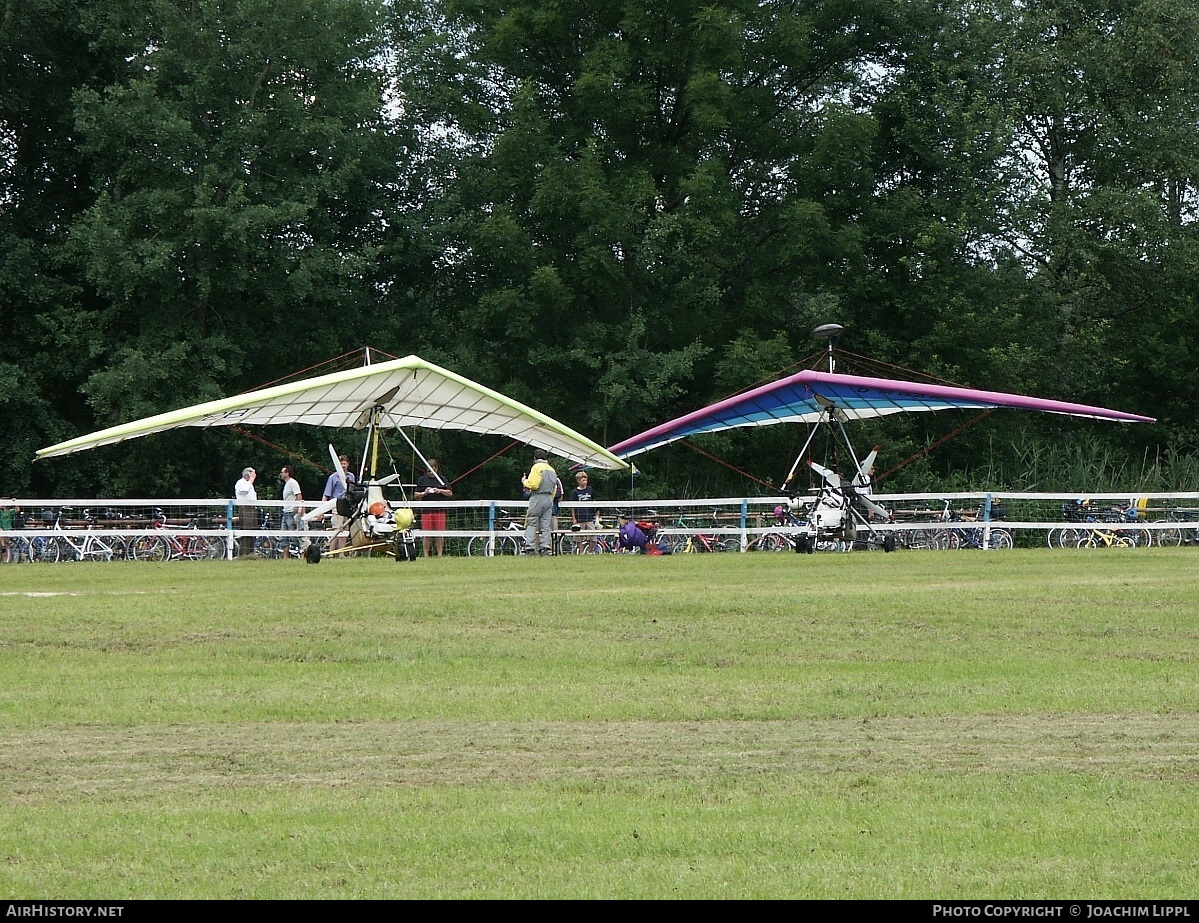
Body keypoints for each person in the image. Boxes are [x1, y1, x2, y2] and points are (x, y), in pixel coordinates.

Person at [521, 447, 558, 555]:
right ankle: (545, 548)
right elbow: (555, 487)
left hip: (538, 497)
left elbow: (534, 484)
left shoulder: (536, 468)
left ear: (535, 458)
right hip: (549, 498)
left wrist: (524, 481)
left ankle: (530, 548)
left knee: (532, 522)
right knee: (545, 525)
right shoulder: (552, 469)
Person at [415, 458, 453, 557]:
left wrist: (440, 491)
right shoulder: (422, 480)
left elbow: (450, 493)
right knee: (426, 534)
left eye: (432, 470)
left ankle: (440, 554)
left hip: (440, 510)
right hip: (426, 511)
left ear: (436, 468)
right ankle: (426, 555)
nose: (431, 473)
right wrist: (424, 493)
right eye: (428, 471)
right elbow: (415, 495)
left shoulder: (442, 479)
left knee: (439, 534)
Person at [322, 455, 356, 552]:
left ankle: (341, 552)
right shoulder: (333, 477)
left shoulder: (351, 476)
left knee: (345, 530)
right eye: (341, 464)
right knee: (336, 529)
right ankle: (331, 552)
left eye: (344, 463)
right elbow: (327, 493)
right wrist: (322, 509)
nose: (343, 466)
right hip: (337, 505)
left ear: (348, 464)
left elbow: (353, 491)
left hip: (347, 505)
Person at [569, 471, 599, 552]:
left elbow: (594, 501)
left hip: (589, 516)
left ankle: (590, 551)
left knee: (592, 536)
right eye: (583, 480)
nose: (585, 482)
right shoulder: (575, 492)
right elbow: (573, 506)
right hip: (580, 517)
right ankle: (581, 552)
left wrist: (596, 512)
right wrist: (574, 518)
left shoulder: (590, 489)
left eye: (586, 480)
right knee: (579, 538)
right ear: (578, 481)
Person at [279, 466, 305, 558]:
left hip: (291, 513)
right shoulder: (287, 484)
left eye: (282, 472)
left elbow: (298, 495)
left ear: (287, 473)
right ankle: (286, 557)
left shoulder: (292, 483)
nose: (281, 474)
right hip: (285, 512)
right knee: (283, 536)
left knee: (295, 535)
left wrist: (298, 508)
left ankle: (303, 554)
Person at [234, 467, 258, 557]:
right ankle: (244, 554)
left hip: (252, 508)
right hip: (245, 509)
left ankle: (250, 553)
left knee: (252, 531)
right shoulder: (241, 483)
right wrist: (251, 480)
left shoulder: (249, 484)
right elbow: (244, 491)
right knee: (247, 531)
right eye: (253, 474)